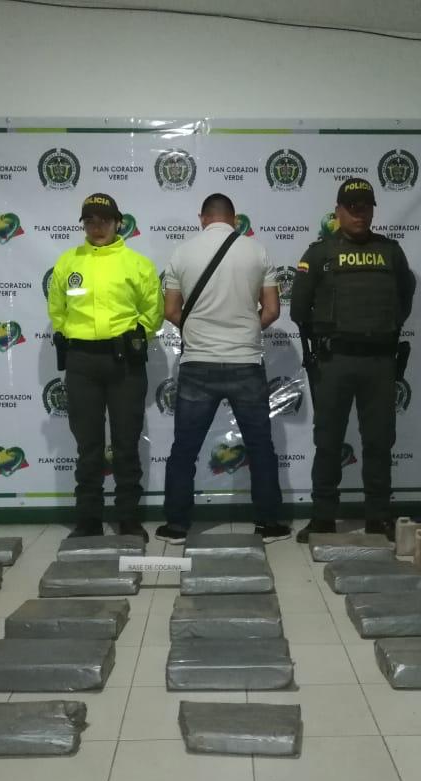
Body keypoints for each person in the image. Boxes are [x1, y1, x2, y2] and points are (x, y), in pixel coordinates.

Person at [155, 193, 291, 544]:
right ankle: (269, 524)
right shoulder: (257, 251)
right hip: (246, 362)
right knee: (260, 448)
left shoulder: (182, 253)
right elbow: (272, 310)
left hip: (197, 364)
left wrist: (199, 332)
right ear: (234, 218)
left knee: (184, 449)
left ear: (202, 218)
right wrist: (244, 332)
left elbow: (170, 311)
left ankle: (176, 527)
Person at [290, 177, 416, 542]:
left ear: (373, 210)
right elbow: (299, 308)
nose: (360, 214)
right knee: (328, 441)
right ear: (338, 211)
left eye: (366, 207)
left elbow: (405, 298)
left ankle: (378, 517)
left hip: (379, 361)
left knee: (379, 441)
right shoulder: (319, 253)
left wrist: (380, 330)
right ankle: (322, 517)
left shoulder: (391, 252)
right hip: (335, 361)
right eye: (352, 207)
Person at [48, 192, 163, 541]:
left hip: (124, 362)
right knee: (88, 447)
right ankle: (88, 521)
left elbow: (153, 312)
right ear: (83, 225)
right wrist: (73, 334)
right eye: (90, 221)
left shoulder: (137, 264)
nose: (97, 227)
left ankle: (128, 519)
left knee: (126, 444)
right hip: (81, 363)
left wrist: (133, 336)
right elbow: (57, 311)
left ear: (118, 223)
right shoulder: (68, 263)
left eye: (104, 221)